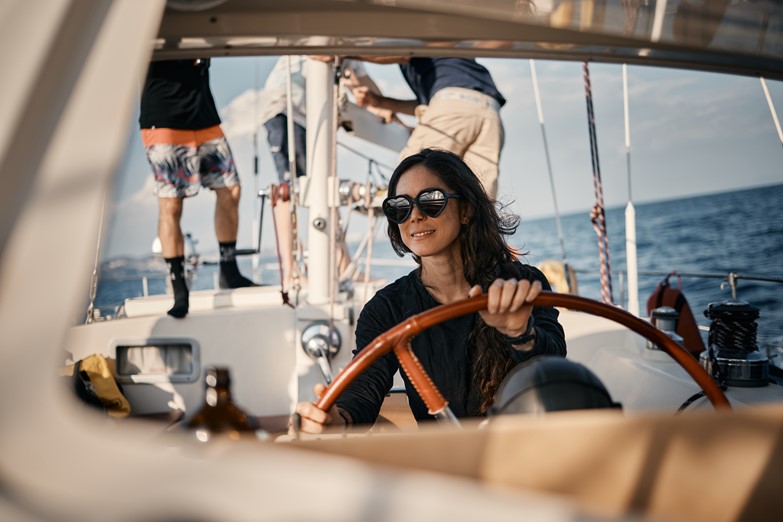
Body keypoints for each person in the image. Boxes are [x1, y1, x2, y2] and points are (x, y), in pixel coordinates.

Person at [294, 148, 566, 433]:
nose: (415, 216)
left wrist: (520, 333)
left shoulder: (521, 284)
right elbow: (364, 389)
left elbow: (555, 373)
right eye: (400, 207)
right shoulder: (388, 308)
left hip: (524, 450)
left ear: (465, 210)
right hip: (445, 462)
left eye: (431, 201)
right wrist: (338, 418)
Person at [259, 56, 396, 288]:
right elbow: (356, 85)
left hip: (314, 118)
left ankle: (345, 266)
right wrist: (380, 109)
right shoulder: (323, 35)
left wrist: (388, 112)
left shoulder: (350, 46)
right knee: (288, 190)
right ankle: (291, 272)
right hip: (285, 109)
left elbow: (365, 84)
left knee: (326, 186)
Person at [140, 58, 255, 319]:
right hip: (163, 117)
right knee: (171, 202)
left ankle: (229, 271)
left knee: (231, 189)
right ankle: (180, 289)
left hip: (204, 115)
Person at [350, 57, 506, 199]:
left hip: (452, 106)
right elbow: (437, 103)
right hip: (490, 111)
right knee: (480, 198)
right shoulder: (446, 62)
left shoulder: (412, 31)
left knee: (412, 179)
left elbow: (398, 54)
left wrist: (345, 52)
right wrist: (379, 102)